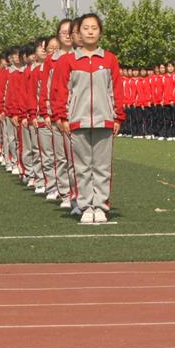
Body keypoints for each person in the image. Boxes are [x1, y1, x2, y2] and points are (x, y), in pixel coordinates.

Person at [50, 12, 123, 226]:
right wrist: (61, 116)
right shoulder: (68, 61)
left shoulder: (109, 59)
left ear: (100, 32)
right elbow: (59, 91)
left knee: (102, 167)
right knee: (81, 167)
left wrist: (118, 116)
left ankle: (100, 206)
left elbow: (116, 89)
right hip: (77, 120)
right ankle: (85, 206)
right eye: (86, 28)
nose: (90, 32)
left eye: (94, 28)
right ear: (78, 33)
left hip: (104, 120)